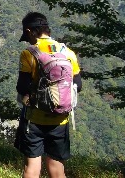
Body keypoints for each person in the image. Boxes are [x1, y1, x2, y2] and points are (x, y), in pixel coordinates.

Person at [14, 12, 82, 178]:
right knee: (57, 170)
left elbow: (21, 86)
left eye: (27, 35)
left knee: (31, 168)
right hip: (60, 119)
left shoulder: (29, 53)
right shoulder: (68, 53)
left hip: (34, 119)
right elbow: (78, 86)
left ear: (30, 31)